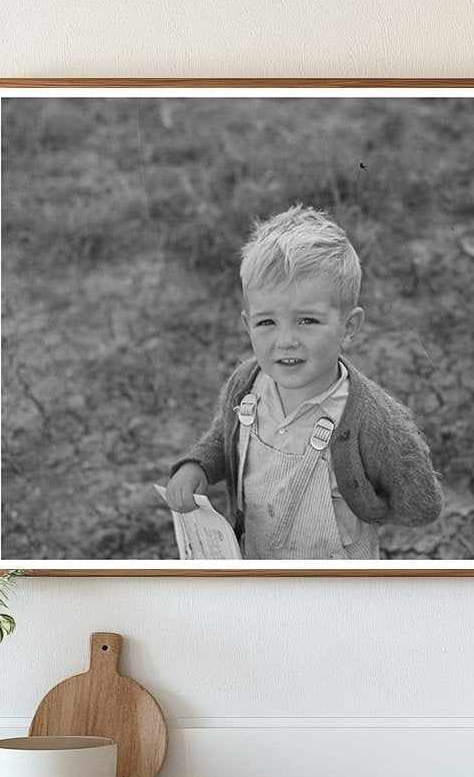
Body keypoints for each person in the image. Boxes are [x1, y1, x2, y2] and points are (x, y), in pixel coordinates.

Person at [165, 204, 442, 560]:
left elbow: (422, 503)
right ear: (247, 323)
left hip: (335, 583)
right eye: (267, 323)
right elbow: (225, 437)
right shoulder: (248, 386)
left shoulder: (372, 419)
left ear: (349, 327)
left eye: (307, 321)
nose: (285, 340)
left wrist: (367, 502)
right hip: (258, 558)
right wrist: (197, 466)